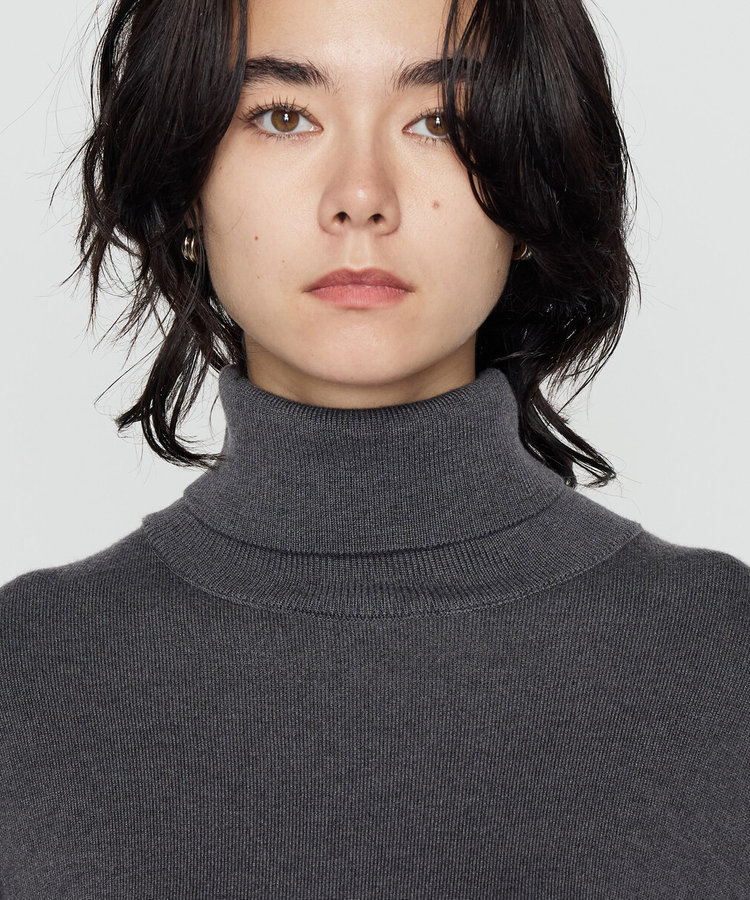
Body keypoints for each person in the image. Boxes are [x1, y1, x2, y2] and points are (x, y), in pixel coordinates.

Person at [0, 0, 747, 896]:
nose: (361, 196)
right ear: (185, 190)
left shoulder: (724, 654)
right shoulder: (25, 672)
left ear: (529, 186)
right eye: (284, 116)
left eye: (440, 122)